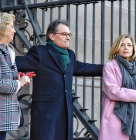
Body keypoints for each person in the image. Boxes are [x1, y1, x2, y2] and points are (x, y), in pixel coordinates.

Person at [15, 19, 103, 140]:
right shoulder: (40, 52)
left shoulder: (70, 55)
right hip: (45, 116)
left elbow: (85, 68)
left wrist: (112, 68)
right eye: (64, 34)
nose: (68, 38)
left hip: (65, 115)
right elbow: (14, 62)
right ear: (52, 36)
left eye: (69, 34)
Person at [99, 35, 136, 140]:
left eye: (129, 45)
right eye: (122, 45)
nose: (126, 48)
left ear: (133, 48)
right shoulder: (110, 66)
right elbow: (112, 91)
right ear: (117, 48)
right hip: (116, 115)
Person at [0, 12, 31, 140]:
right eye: (12, 27)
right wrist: (19, 83)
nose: (14, 31)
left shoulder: (7, 51)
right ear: (2, 28)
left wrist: (18, 77)